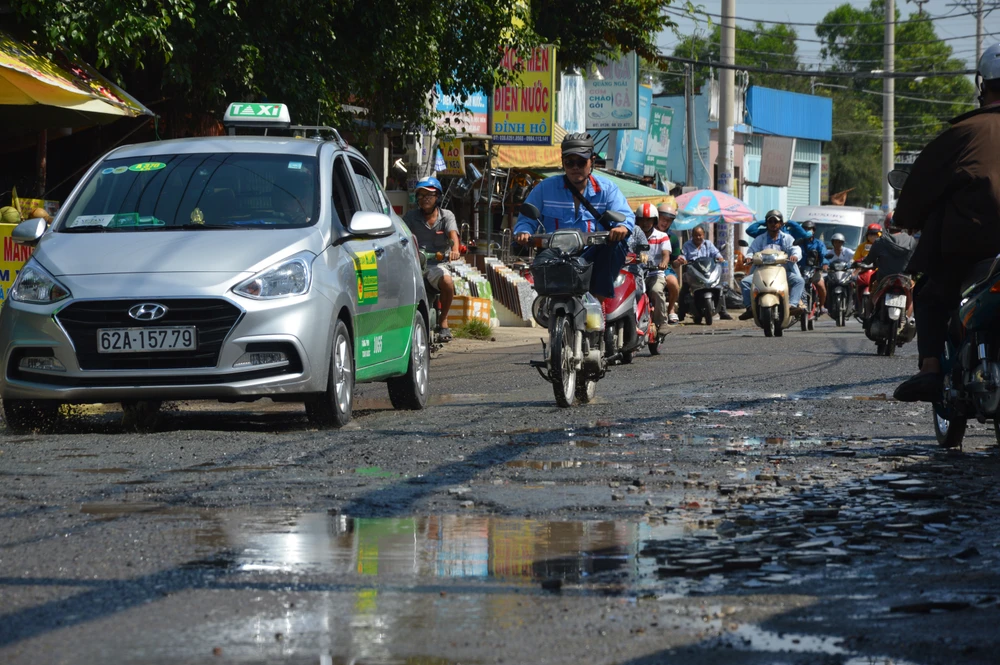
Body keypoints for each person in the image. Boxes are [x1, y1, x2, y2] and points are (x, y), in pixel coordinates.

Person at [891, 44, 1000, 401]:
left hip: (972, 247)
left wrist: (906, 218)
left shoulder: (962, 134)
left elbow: (920, 185)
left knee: (929, 294)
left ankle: (931, 369)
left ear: (982, 84)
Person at [514, 133, 635, 300]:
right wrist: (523, 231)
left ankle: (598, 304)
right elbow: (526, 219)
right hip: (556, 254)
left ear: (592, 161)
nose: (575, 167)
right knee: (539, 268)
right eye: (570, 162)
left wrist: (621, 228)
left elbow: (625, 215)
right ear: (562, 162)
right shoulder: (544, 188)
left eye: (581, 162)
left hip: (593, 256)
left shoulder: (608, 189)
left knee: (616, 245)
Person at [402, 177, 461, 341]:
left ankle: (443, 321)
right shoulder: (411, 217)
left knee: (448, 282)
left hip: (436, 265)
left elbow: (453, 235)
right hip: (414, 265)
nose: (424, 198)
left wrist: (455, 249)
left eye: (429, 194)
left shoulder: (446, 216)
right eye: (420, 195)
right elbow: (401, 234)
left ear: (437, 197)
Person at [738, 209, 804, 319]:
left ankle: (792, 305)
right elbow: (751, 251)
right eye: (770, 222)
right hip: (762, 272)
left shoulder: (787, 238)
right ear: (766, 224)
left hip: (783, 271)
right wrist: (749, 258)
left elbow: (795, 248)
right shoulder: (760, 238)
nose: (773, 224)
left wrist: (795, 256)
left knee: (799, 281)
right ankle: (750, 308)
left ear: (781, 224)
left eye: (776, 222)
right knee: (745, 282)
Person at [674, 225, 732, 320]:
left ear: (703, 235)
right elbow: (683, 255)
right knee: (684, 289)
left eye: (700, 235)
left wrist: (719, 257)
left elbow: (716, 253)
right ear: (692, 235)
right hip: (694, 273)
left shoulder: (708, 244)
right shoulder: (687, 245)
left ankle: (723, 312)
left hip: (707, 271)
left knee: (719, 287)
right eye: (696, 235)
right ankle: (681, 312)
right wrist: (682, 260)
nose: (698, 237)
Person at [633, 203, 671, 335]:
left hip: (655, 273)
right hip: (635, 273)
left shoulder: (662, 236)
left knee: (656, 291)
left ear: (654, 221)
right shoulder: (632, 236)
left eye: (649, 220)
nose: (645, 223)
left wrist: (664, 263)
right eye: (642, 219)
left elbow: (666, 254)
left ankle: (662, 322)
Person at [655, 198, 683, 323]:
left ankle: (671, 309)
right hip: (646, 267)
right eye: (663, 219)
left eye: (669, 221)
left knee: (673, 283)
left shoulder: (672, 238)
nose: (665, 223)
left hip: (664, 270)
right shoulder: (645, 232)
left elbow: (674, 262)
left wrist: (678, 262)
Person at [796, 220, 828, 313]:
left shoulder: (819, 243)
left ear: (814, 230)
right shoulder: (798, 242)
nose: (807, 231)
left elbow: (824, 254)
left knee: (820, 285)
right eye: (804, 229)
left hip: (815, 270)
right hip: (800, 271)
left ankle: (821, 306)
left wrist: (824, 264)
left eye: (809, 229)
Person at [852, 223, 882, 314]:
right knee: (853, 282)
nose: (873, 237)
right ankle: (856, 305)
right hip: (863, 271)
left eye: (875, 234)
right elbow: (856, 259)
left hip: (878, 272)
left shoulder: (882, 245)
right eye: (871, 234)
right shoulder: (862, 246)